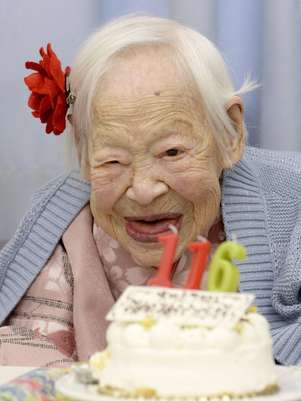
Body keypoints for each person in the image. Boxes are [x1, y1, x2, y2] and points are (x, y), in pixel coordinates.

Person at [0, 14, 301, 367]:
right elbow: (23, 355)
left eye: (172, 152)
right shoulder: (63, 226)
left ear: (231, 134)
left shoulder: (291, 203)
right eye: (112, 160)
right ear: (83, 150)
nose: (143, 191)